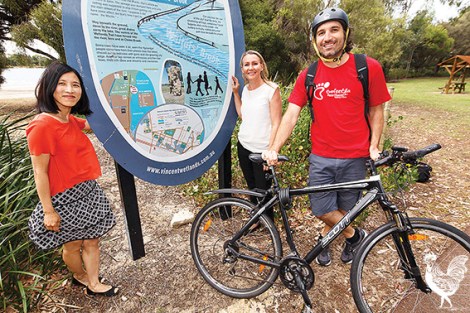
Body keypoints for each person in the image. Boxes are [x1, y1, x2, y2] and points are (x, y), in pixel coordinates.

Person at [262, 8, 391, 265]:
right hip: (321, 156)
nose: (327, 37)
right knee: (322, 209)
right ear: (314, 40)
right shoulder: (308, 75)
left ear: (345, 33)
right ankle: (355, 237)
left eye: (334, 30)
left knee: (347, 209)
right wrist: (273, 147)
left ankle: (326, 240)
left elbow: (377, 110)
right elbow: (290, 116)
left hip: (355, 157)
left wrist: (374, 146)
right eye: (321, 32)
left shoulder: (368, 67)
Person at [26, 62, 119, 296]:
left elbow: (90, 125)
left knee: (92, 241)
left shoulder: (68, 119)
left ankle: (94, 281)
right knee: (73, 244)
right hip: (64, 198)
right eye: (62, 84)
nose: (70, 90)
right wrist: (48, 211)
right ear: (49, 87)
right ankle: (81, 276)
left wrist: (118, 101)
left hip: (87, 191)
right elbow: (40, 172)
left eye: (75, 85)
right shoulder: (42, 125)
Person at [232, 50, 282, 221]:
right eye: (247, 64)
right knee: (252, 188)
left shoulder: (272, 90)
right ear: (242, 69)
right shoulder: (245, 89)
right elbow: (242, 115)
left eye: (254, 63)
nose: (250, 67)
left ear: (261, 66)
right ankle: (256, 220)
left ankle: (269, 224)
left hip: (262, 151)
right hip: (244, 146)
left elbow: (277, 123)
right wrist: (235, 93)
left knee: (264, 191)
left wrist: (271, 150)